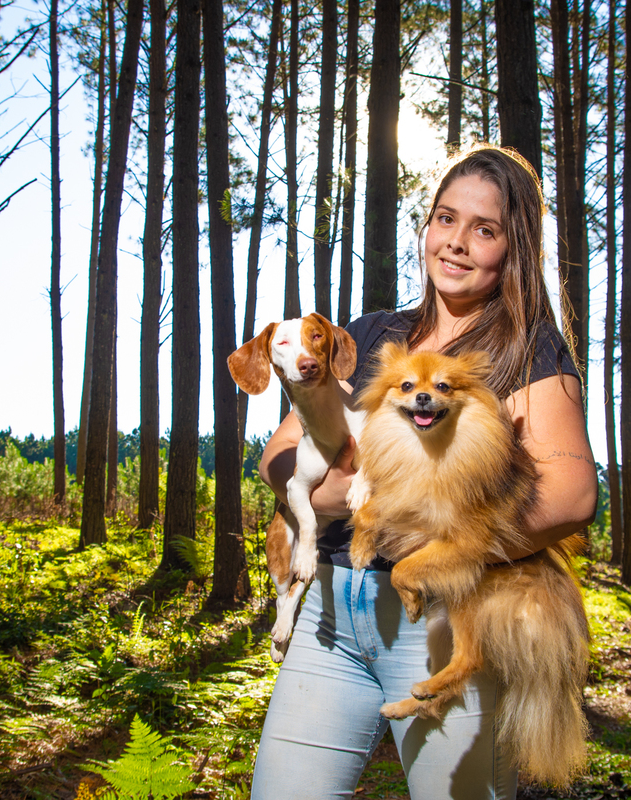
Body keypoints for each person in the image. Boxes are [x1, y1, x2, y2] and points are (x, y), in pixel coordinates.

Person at [249, 145, 598, 799]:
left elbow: (573, 496)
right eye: (445, 218)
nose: (457, 242)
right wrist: (330, 494)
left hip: (440, 620)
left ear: (514, 248)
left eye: (485, 229)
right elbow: (280, 452)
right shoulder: (369, 334)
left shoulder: (527, 349)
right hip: (329, 615)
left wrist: (428, 533)